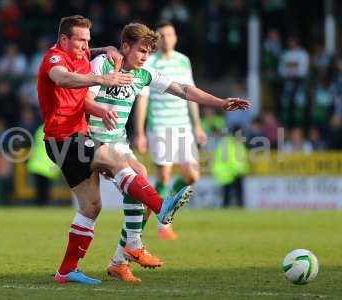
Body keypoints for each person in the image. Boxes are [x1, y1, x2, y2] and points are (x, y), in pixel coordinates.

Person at [84, 22, 250, 283]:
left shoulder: (144, 74)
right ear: (125, 47)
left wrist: (220, 102)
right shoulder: (104, 64)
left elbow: (183, 89)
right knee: (137, 180)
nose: (145, 57)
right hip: (91, 142)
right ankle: (137, 241)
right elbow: (85, 99)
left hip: (117, 142)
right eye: (141, 51)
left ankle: (119, 261)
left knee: (141, 197)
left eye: (149, 52)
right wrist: (102, 111)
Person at [37, 15, 194, 285]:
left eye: (88, 40)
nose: (86, 45)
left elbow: (92, 53)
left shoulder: (82, 55)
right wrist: (102, 79)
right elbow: (62, 79)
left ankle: (66, 271)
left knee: (91, 206)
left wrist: (105, 48)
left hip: (71, 139)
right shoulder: (54, 59)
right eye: (81, 40)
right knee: (119, 162)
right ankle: (161, 207)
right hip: (66, 138)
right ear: (64, 39)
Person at [134, 21, 207, 241]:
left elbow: (190, 95)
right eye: (162, 35)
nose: (167, 39)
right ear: (157, 39)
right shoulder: (150, 63)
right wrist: (139, 132)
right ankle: (162, 223)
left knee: (192, 176)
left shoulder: (183, 61)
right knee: (164, 176)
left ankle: (165, 209)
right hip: (160, 126)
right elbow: (143, 101)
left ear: (175, 37)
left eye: (170, 34)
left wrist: (197, 125)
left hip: (183, 126)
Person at [27, 124, 61, 206]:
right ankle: (43, 205)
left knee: (39, 190)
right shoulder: (56, 129)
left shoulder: (39, 129)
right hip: (48, 166)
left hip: (36, 164)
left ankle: (40, 206)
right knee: (45, 191)